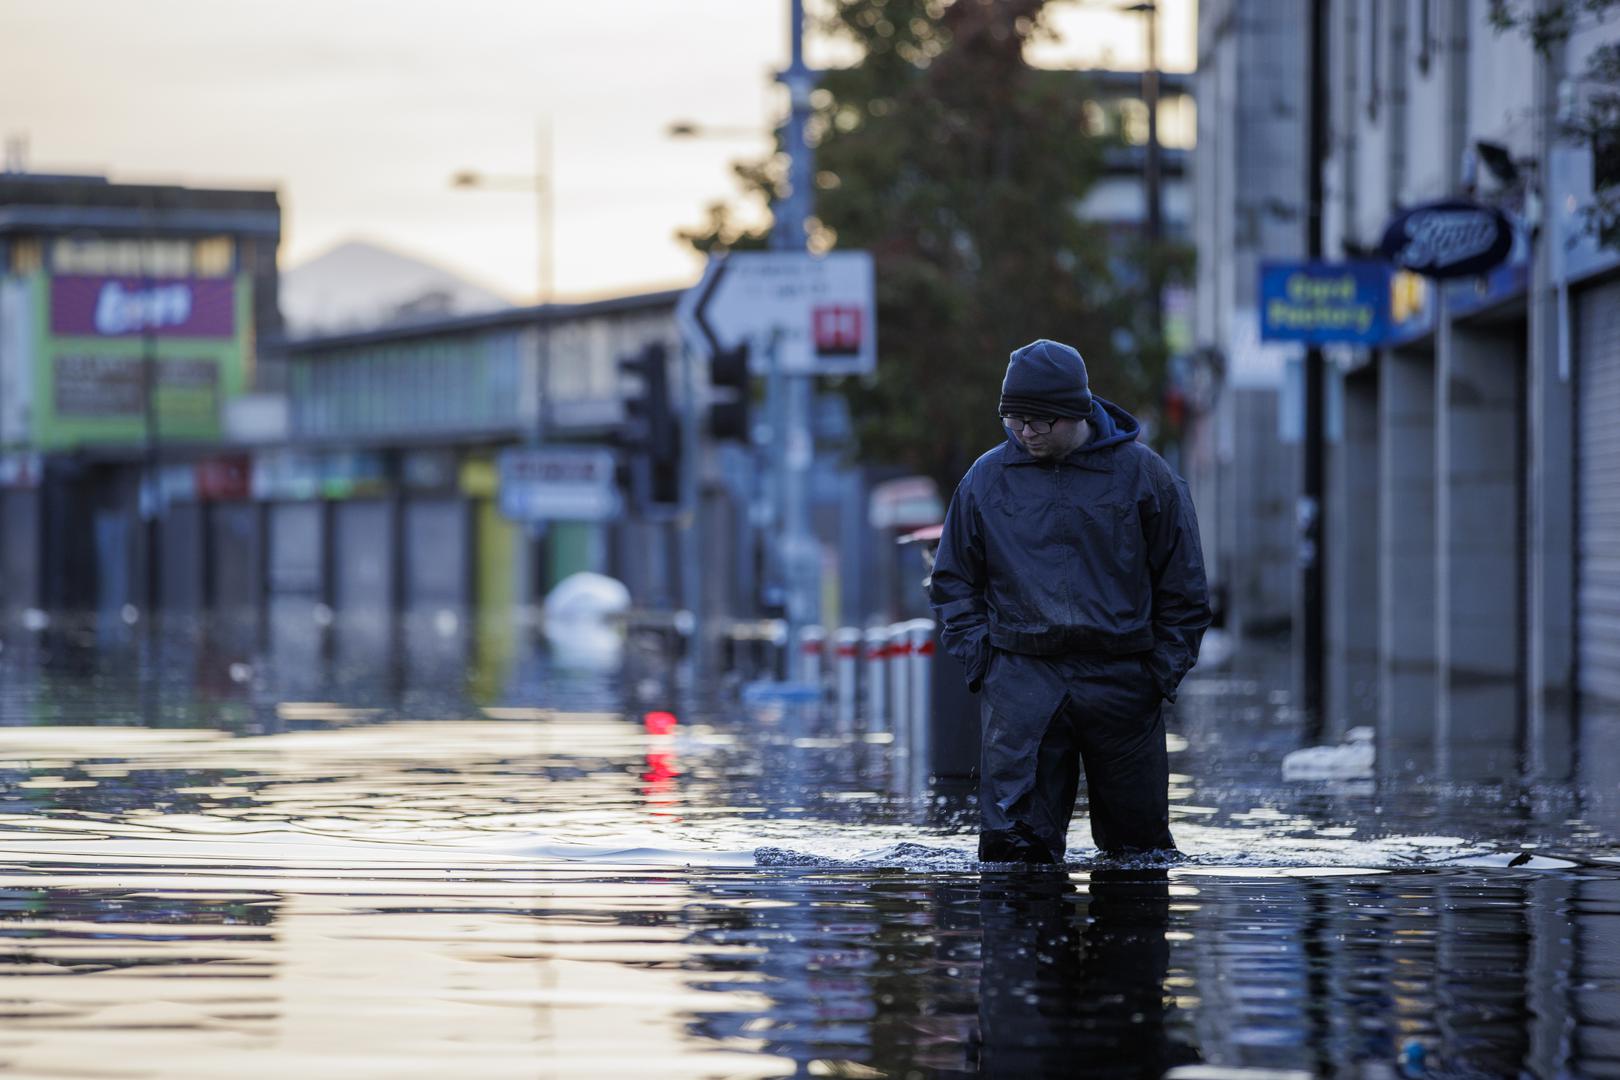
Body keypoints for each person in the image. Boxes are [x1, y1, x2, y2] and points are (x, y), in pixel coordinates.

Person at [929, 338, 1211, 864]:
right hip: (1021, 684)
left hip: (1125, 682)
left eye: (1040, 422)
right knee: (1015, 859)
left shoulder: (1146, 477)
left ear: (1076, 412)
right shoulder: (986, 480)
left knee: (1139, 857)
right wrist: (986, 667)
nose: (1026, 433)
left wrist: (1158, 676)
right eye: (1015, 420)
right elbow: (952, 582)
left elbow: (1185, 587)